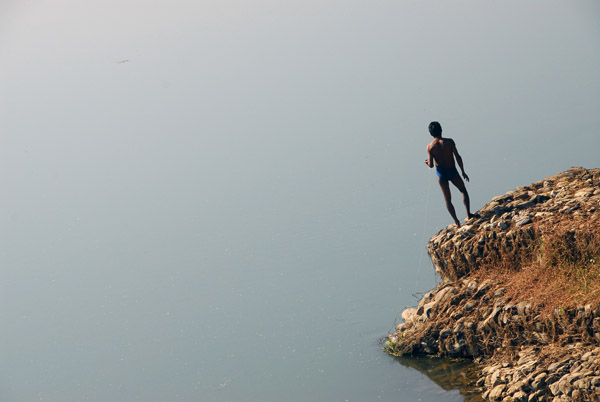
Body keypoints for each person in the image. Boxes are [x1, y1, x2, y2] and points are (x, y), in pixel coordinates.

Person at [424, 121, 477, 227]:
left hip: (441, 174)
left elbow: (431, 165)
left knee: (447, 199)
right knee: (463, 190)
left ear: (431, 134)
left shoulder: (430, 147)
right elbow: (458, 156)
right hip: (452, 170)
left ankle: (456, 222)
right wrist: (463, 171)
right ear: (441, 130)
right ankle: (468, 214)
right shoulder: (449, 142)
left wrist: (426, 162)